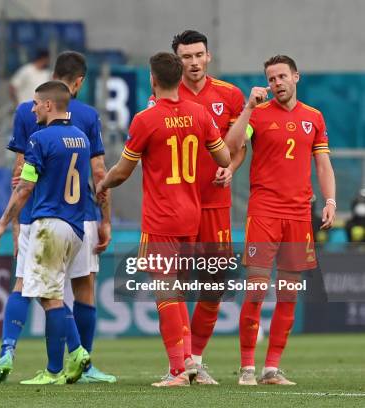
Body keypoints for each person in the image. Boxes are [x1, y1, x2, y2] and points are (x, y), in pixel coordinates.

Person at [96, 52, 230, 387]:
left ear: (153, 80)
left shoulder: (145, 119)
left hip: (161, 218)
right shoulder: (199, 114)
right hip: (192, 214)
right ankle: (189, 362)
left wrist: (103, 182)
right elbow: (224, 156)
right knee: (179, 290)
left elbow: (124, 172)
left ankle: (176, 373)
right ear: (180, 78)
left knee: (165, 293)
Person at [0, 51, 115, 384]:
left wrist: (7, 224)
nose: (31, 109)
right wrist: (105, 219)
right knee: (78, 290)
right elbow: (99, 173)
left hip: (43, 220)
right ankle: (79, 361)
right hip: (79, 220)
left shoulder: (37, 134)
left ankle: (62, 359)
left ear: (45, 103)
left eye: (35, 105)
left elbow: (22, 180)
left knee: (38, 291)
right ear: (77, 84)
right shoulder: (83, 126)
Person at [224, 55, 336, 386]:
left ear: (296, 77)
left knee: (288, 293)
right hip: (265, 212)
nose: (277, 83)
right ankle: (246, 368)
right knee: (256, 290)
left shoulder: (313, 117)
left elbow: (323, 165)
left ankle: (271, 368)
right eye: (271, 79)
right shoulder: (257, 114)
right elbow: (231, 146)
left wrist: (329, 201)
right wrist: (247, 107)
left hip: (299, 215)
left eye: (282, 77)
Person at [149, 29, 245, 384]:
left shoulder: (229, 95)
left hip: (215, 205)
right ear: (177, 62)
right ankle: (181, 362)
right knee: (174, 284)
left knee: (214, 284)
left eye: (198, 55)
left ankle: (196, 360)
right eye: (185, 57)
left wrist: (229, 169)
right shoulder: (160, 99)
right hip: (177, 208)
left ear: (208, 56)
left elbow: (238, 149)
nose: (193, 62)